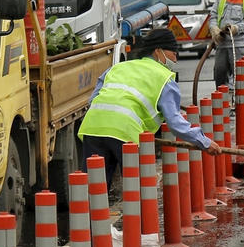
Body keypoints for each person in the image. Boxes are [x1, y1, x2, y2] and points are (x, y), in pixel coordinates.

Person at [78, 27, 221, 194]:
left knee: (94, 191)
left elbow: (94, 99)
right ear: (158, 51)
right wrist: (204, 142)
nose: (175, 59)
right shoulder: (164, 78)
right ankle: (138, 221)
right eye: (173, 53)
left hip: (93, 127)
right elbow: (175, 123)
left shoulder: (118, 68)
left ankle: (93, 221)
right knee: (137, 191)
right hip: (125, 134)